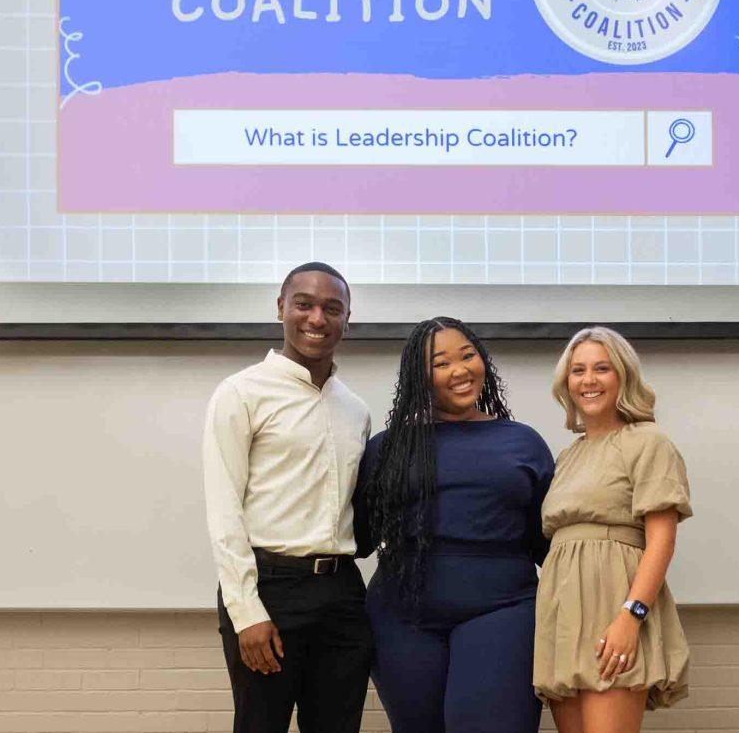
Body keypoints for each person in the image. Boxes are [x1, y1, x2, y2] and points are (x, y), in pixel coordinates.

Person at [355, 317, 554, 733]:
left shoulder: (524, 442)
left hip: (504, 611)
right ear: (419, 377)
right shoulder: (386, 448)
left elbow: (547, 544)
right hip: (401, 621)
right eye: (441, 362)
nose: (460, 370)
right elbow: (360, 539)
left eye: (468, 356)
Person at [203, 262, 373, 733]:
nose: (317, 318)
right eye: (304, 304)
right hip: (269, 589)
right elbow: (223, 511)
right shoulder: (241, 393)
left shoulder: (355, 410)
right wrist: (246, 613)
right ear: (281, 308)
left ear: (346, 319)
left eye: (331, 308)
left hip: (341, 594)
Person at [534, 327, 693, 733]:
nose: (588, 380)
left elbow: (661, 540)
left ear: (623, 376)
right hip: (562, 614)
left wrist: (631, 616)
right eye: (578, 371)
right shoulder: (568, 456)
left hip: (615, 609)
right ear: (565, 384)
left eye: (602, 368)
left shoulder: (648, 442)